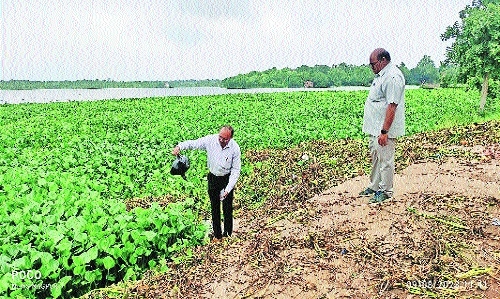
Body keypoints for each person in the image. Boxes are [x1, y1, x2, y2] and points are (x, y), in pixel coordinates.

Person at [172, 125, 241, 241]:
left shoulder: (235, 148)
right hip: (213, 177)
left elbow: (236, 170)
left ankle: (228, 234)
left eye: (225, 139)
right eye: (220, 137)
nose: (221, 140)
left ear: (230, 138)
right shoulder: (211, 140)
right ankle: (218, 235)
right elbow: (195, 143)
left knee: (227, 208)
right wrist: (180, 146)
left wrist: (228, 189)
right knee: (215, 207)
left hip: (226, 178)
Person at [359, 48, 405, 203]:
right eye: (370, 65)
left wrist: (385, 131)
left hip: (384, 128)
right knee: (376, 158)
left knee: (385, 160)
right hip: (375, 128)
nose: (372, 67)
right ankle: (374, 186)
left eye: (373, 64)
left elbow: (392, 106)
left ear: (383, 60)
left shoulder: (392, 77)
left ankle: (385, 191)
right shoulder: (381, 75)